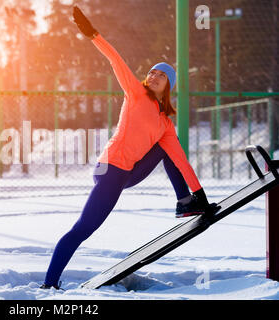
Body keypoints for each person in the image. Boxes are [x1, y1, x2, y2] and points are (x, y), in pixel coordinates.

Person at [40, 6, 216, 290]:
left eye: (162, 75)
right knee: (83, 229)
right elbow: (115, 59)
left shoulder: (165, 124)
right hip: (109, 170)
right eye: (152, 72)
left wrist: (201, 197)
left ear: (168, 86)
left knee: (169, 149)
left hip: (129, 173)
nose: (154, 76)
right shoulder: (135, 93)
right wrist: (93, 34)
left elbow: (181, 162)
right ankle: (48, 284)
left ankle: (186, 202)